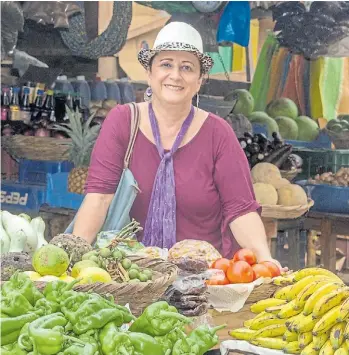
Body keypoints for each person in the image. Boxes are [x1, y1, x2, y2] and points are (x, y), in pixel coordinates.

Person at [72, 22, 284, 270]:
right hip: (133, 275)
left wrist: (264, 259)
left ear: (199, 80)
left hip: (204, 278)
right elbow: (98, 198)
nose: (175, 75)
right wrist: (76, 260)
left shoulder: (218, 134)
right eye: (166, 64)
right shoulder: (123, 122)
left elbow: (241, 211)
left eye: (187, 67)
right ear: (149, 73)